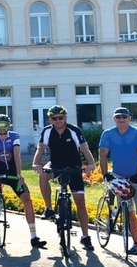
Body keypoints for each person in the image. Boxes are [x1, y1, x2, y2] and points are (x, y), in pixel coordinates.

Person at [32, 104, 97, 251]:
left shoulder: (74, 130)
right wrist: (36, 163)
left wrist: (91, 164)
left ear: (65, 118)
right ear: (50, 119)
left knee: (80, 203)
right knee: (43, 175)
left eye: (60, 118)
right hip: (55, 165)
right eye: (54, 118)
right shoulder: (47, 131)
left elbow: (84, 149)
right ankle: (49, 208)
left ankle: (85, 237)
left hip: (74, 167)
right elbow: (41, 148)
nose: (58, 121)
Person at [0, 114, 46, 249]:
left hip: (12, 172)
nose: (2, 127)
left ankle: (34, 237)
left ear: (9, 125)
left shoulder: (14, 136)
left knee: (27, 199)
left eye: (5, 125)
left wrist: (19, 175)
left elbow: (17, 156)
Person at [99, 107, 137, 258]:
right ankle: (136, 243)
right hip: (119, 178)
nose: (121, 119)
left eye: (124, 116)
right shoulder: (108, 134)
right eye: (118, 117)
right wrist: (106, 174)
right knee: (128, 212)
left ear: (129, 118)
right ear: (114, 119)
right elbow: (102, 154)